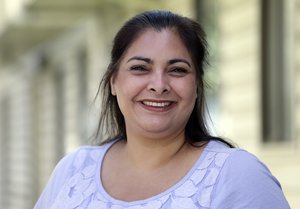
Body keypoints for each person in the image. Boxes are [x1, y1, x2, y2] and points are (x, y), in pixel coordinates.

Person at [34, 10, 290, 209]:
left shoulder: (237, 175)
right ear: (113, 81)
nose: (159, 85)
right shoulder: (74, 170)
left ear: (197, 85)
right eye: (140, 68)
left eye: (177, 70)